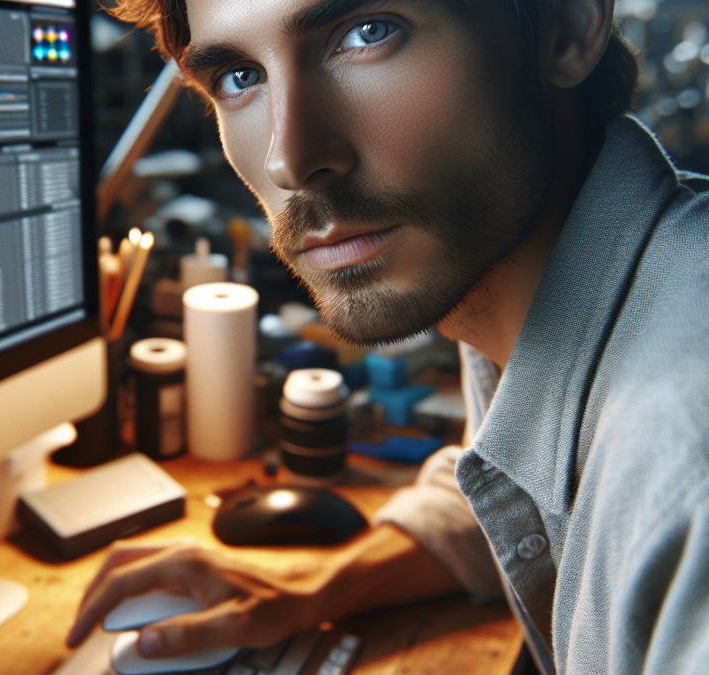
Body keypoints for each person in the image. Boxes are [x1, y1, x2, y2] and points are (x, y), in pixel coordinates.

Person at [66, 0, 709, 673]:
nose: (290, 158)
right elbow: (514, 485)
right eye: (237, 76)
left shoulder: (683, 467)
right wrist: (318, 585)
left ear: (566, 24)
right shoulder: (518, 299)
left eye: (367, 32)